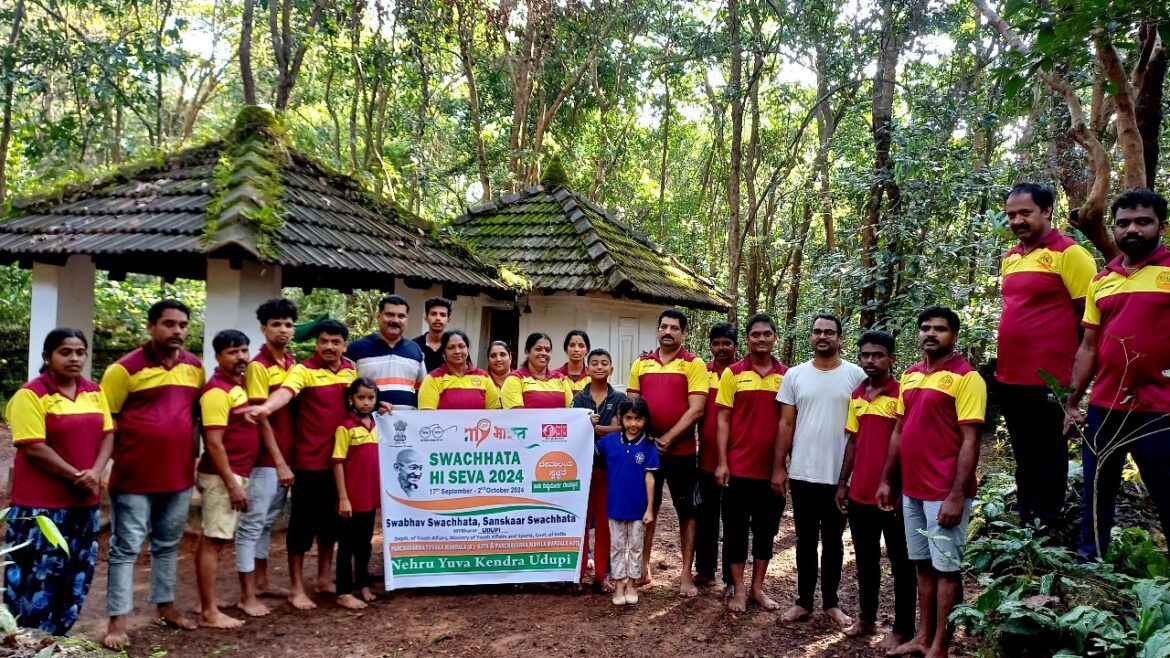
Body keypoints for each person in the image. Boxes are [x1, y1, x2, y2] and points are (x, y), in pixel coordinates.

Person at [1064, 188, 1170, 560]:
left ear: (1162, 227)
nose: (1132, 230)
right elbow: (1088, 347)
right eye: (1123, 223)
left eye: (1143, 221)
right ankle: (1090, 562)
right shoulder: (1102, 280)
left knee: (1166, 491)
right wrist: (1072, 403)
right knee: (1097, 491)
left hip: (1160, 409)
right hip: (1106, 408)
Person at [876, 306, 986, 658]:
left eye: (940, 328)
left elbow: (970, 440)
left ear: (954, 336)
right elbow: (899, 431)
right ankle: (922, 637)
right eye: (926, 328)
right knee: (922, 565)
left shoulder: (967, 378)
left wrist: (957, 495)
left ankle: (940, 645)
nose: (931, 333)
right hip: (912, 489)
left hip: (944, 491)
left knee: (946, 570)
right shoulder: (910, 375)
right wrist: (887, 479)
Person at [101, 299, 203, 649]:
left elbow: (195, 417)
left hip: (178, 475)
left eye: (182, 325)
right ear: (151, 326)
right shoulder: (123, 370)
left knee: (168, 544)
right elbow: (106, 421)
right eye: (169, 324)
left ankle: (166, 606)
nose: (177, 331)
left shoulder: (194, 368)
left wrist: (194, 459)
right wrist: (106, 466)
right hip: (134, 477)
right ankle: (117, 621)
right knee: (126, 547)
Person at [996, 183, 1096, 532]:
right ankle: (1027, 529)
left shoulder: (1070, 254)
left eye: (1025, 213)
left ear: (1047, 211)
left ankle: (1047, 532)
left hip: (1050, 383)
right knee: (1025, 459)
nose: (1017, 221)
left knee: (1049, 460)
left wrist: (1076, 391)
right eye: (1011, 215)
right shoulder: (1011, 258)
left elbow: (1092, 323)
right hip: (1010, 379)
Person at [4, 328, 113, 636]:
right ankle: (24, 643)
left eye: (80, 352)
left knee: (75, 578)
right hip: (40, 508)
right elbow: (33, 446)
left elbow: (108, 435)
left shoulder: (94, 391)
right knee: (34, 581)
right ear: (47, 357)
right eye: (65, 352)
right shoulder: (30, 395)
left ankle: (56, 641)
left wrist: (95, 471)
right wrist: (78, 475)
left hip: (83, 504)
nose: (74, 358)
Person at [246, 319, 357, 610]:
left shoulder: (350, 369)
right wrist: (266, 407)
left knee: (331, 525)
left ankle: (323, 579)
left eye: (335, 342)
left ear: (344, 345)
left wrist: (380, 404)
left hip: (339, 463)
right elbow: (285, 392)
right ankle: (296, 589)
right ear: (316, 344)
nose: (329, 347)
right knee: (301, 528)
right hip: (308, 462)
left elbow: (360, 401)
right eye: (323, 341)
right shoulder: (303, 370)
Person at [774, 314, 865, 626]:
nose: (822, 336)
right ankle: (803, 602)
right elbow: (786, 423)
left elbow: (863, 426)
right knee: (805, 540)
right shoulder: (795, 375)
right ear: (810, 337)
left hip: (840, 476)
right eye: (817, 332)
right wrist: (779, 467)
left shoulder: (856, 376)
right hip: (803, 472)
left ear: (840, 338)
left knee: (834, 541)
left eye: (829, 332)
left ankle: (831, 603)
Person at [194, 330, 281, 630]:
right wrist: (231, 484)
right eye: (233, 352)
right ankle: (209, 612)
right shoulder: (216, 392)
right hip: (224, 477)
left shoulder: (238, 386)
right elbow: (213, 442)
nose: (241, 357)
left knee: (213, 538)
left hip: (239, 472)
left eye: (244, 350)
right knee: (215, 540)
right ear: (218, 356)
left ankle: (206, 603)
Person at [835, 330, 916, 650]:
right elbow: (853, 441)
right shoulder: (857, 394)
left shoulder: (903, 393)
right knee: (866, 559)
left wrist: (896, 485)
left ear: (891, 359)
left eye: (877, 355)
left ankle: (903, 629)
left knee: (901, 563)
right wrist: (843, 482)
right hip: (860, 493)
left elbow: (907, 441)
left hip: (894, 494)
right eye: (865, 355)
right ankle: (866, 618)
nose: (870, 360)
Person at [626, 309, 707, 595]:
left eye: (674, 328)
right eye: (664, 327)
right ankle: (643, 568)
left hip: (682, 450)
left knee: (687, 511)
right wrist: (646, 434)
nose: (668, 332)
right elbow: (633, 405)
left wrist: (668, 438)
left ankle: (685, 574)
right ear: (657, 330)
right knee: (648, 507)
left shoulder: (694, 364)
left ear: (684, 333)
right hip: (647, 450)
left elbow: (697, 409)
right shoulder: (641, 363)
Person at [714, 313, 788, 613]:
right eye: (755, 334)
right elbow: (722, 419)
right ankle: (740, 589)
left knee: (766, 532)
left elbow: (788, 422)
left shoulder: (787, 376)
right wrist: (722, 462)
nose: (761, 339)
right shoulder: (732, 374)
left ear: (774, 337)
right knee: (734, 532)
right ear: (747, 339)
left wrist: (781, 467)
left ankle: (757, 588)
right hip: (738, 469)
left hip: (772, 472)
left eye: (767, 334)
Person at [236, 298, 298, 616]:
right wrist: (280, 462)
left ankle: (261, 582)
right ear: (263, 329)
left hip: (286, 456)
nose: (283, 330)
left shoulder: (291, 363)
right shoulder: (258, 366)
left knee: (266, 523)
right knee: (252, 524)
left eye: (288, 324)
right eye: (276, 324)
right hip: (266, 460)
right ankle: (247, 594)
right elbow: (261, 418)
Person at [572, 348, 628, 590]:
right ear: (587, 369)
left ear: (611, 369)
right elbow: (572, 429)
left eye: (604, 363)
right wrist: (598, 427)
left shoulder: (620, 399)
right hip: (581, 468)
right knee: (581, 521)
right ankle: (576, 574)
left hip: (608, 468)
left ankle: (602, 575)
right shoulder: (579, 399)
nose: (599, 367)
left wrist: (594, 428)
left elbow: (626, 428)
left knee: (605, 522)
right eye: (594, 363)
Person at [595, 398, 658, 606]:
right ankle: (619, 584)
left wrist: (649, 508)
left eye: (638, 419)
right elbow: (589, 449)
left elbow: (650, 479)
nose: (633, 424)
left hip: (639, 508)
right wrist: (588, 425)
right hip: (615, 506)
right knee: (617, 547)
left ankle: (632, 583)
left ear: (645, 420)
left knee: (636, 547)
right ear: (620, 419)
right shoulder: (610, 441)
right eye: (628, 418)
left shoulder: (648, 445)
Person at [696, 322, 738, 591]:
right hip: (706, 459)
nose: (721, 348)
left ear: (735, 346)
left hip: (736, 460)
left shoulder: (741, 373)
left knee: (733, 519)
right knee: (705, 516)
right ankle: (705, 570)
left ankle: (732, 578)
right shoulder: (703, 373)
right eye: (716, 343)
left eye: (726, 343)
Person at [333, 378, 381, 610]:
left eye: (371, 398)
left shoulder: (378, 424)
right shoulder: (346, 427)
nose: (366, 402)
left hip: (369, 497)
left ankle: (363, 584)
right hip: (351, 498)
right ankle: (343, 591)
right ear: (351, 399)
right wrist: (343, 498)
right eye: (361, 397)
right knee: (346, 546)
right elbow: (337, 463)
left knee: (365, 544)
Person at [348, 294, 426, 411]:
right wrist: (374, 405)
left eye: (401, 316)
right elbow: (347, 390)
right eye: (389, 315)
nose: (395, 320)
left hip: (408, 420)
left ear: (407, 319)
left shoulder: (415, 350)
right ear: (378, 316)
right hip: (369, 421)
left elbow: (422, 390)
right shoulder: (356, 349)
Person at [418, 330, 500, 410]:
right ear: (443, 354)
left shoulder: (484, 377)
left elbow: (494, 412)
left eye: (461, 346)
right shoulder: (432, 379)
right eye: (451, 347)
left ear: (467, 350)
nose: (457, 351)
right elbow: (427, 416)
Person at [501, 332, 572, 409]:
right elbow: (517, 414)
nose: (544, 353)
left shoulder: (560, 379)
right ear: (527, 352)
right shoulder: (515, 379)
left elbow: (571, 411)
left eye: (547, 350)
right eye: (538, 349)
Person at [413, 296, 452, 373]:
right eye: (433, 314)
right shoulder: (414, 346)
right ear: (426, 318)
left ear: (448, 320)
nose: (438, 318)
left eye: (442, 315)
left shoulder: (456, 347)